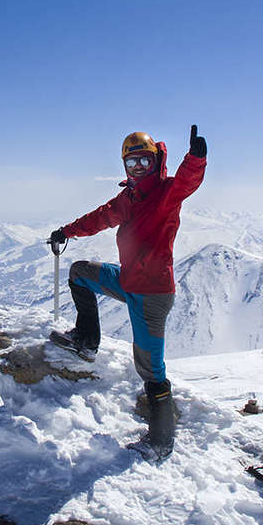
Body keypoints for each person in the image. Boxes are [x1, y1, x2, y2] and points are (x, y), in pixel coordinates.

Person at [48, 126, 207, 458]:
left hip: (152, 295)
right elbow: (100, 218)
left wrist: (196, 158)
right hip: (128, 280)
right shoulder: (128, 198)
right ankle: (86, 341)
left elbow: (187, 182)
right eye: (131, 163)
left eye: (144, 163)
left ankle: (161, 442)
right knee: (80, 273)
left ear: (155, 162)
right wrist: (66, 231)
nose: (137, 169)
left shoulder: (166, 193)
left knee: (151, 369)